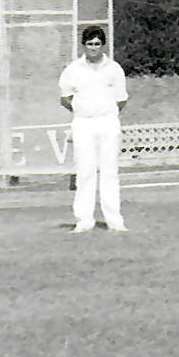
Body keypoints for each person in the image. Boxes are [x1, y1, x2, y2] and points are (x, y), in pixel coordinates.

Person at [59, 25, 128, 232]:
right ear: (84, 45)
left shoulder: (114, 69)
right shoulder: (73, 69)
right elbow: (65, 98)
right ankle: (84, 220)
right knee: (85, 171)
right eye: (90, 44)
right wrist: (83, 111)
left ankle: (115, 221)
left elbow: (121, 100)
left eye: (97, 44)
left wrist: (106, 112)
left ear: (102, 45)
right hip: (83, 123)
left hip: (107, 122)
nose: (93, 48)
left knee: (109, 171)